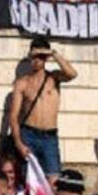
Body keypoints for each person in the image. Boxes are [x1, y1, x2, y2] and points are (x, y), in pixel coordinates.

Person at [9, 36, 77, 182]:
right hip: (29, 134)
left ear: (45, 58)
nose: (37, 60)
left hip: (49, 137)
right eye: (34, 56)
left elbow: (72, 74)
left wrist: (53, 53)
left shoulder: (54, 78)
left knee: (54, 180)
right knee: (30, 180)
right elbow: (13, 116)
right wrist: (18, 143)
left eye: (41, 57)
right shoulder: (22, 83)